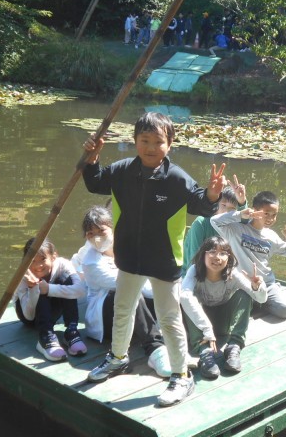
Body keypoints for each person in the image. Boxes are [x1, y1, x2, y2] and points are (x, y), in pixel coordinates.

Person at [82, 111, 226, 407]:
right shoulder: (122, 170)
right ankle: (118, 358)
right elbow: (95, 183)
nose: (150, 147)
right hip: (129, 257)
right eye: (144, 140)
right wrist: (92, 159)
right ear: (135, 141)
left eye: (158, 141)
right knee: (123, 309)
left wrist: (212, 195)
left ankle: (181, 375)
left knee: (169, 319)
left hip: (164, 261)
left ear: (169, 144)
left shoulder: (177, 179)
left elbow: (201, 204)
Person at [73, 205, 172, 378]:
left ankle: (175, 340)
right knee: (129, 291)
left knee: (168, 290)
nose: (96, 237)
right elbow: (132, 284)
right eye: (90, 234)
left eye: (101, 231)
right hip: (107, 319)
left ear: (113, 229)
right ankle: (155, 348)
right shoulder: (91, 262)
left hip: (134, 312)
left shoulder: (127, 248)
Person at [181, 236, 266, 379]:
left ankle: (234, 346)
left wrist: (257, 287)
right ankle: (204, 352)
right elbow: (184, 296)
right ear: (203, 254)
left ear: (229, 258)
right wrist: (206, 328)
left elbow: (261, 299)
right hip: (201, 328)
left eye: (223, 253)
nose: (217, 257)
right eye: (212, 252)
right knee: (188, 299)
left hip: (222, 323)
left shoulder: (233, 274)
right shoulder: (194, 271)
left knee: (244, 294)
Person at [211, 191, 286, 319]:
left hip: (266, 284)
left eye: (274, 215)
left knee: (285, 310)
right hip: (241, 284)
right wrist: (240, 214)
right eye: (266, 213)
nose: (270, 218)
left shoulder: (272, 236)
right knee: (226, 311)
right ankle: (254, 301)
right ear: (255, 210)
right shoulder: (236, 229)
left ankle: (261, 301)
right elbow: (214, 221)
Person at [14, 237, 87, 362]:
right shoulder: (23, 274)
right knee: (40, 287)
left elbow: (80, 290)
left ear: (54, 256)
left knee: (65, 279)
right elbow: (29, 316)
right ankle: (45, 337)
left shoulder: (63, 264)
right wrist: (33, 288)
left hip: (52, 312)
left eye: (43, 259)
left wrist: (48, 289)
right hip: (31, 317)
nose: (38, 266)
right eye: (32, 261)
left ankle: (71, 331)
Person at [181, 174, 247, 277]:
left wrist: (242, 202)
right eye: (223, 205)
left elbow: (246, 222)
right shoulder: (201, 223)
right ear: (217, 204)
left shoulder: (233, 225)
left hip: (220, 274)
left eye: (232, 209)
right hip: (193, 274)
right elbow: (194, 259)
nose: (226, 211)